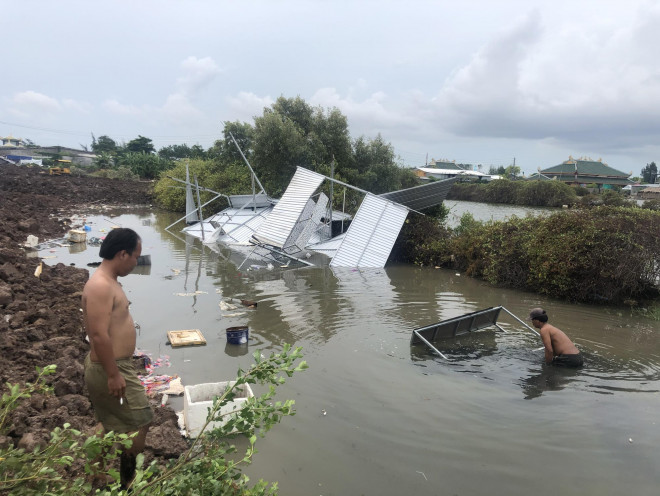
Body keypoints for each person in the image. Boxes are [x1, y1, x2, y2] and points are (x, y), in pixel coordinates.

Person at [82, 228, 152, 489]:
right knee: (141, 421)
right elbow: (98, 335)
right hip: (111, 367)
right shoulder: (101, 285)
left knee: (110, 421)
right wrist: (114, 374)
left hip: (110, 365)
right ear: (122, 254)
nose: (136, 263)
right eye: (135, 256)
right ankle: (127, 482)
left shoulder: (107, 281)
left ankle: (97, 476)